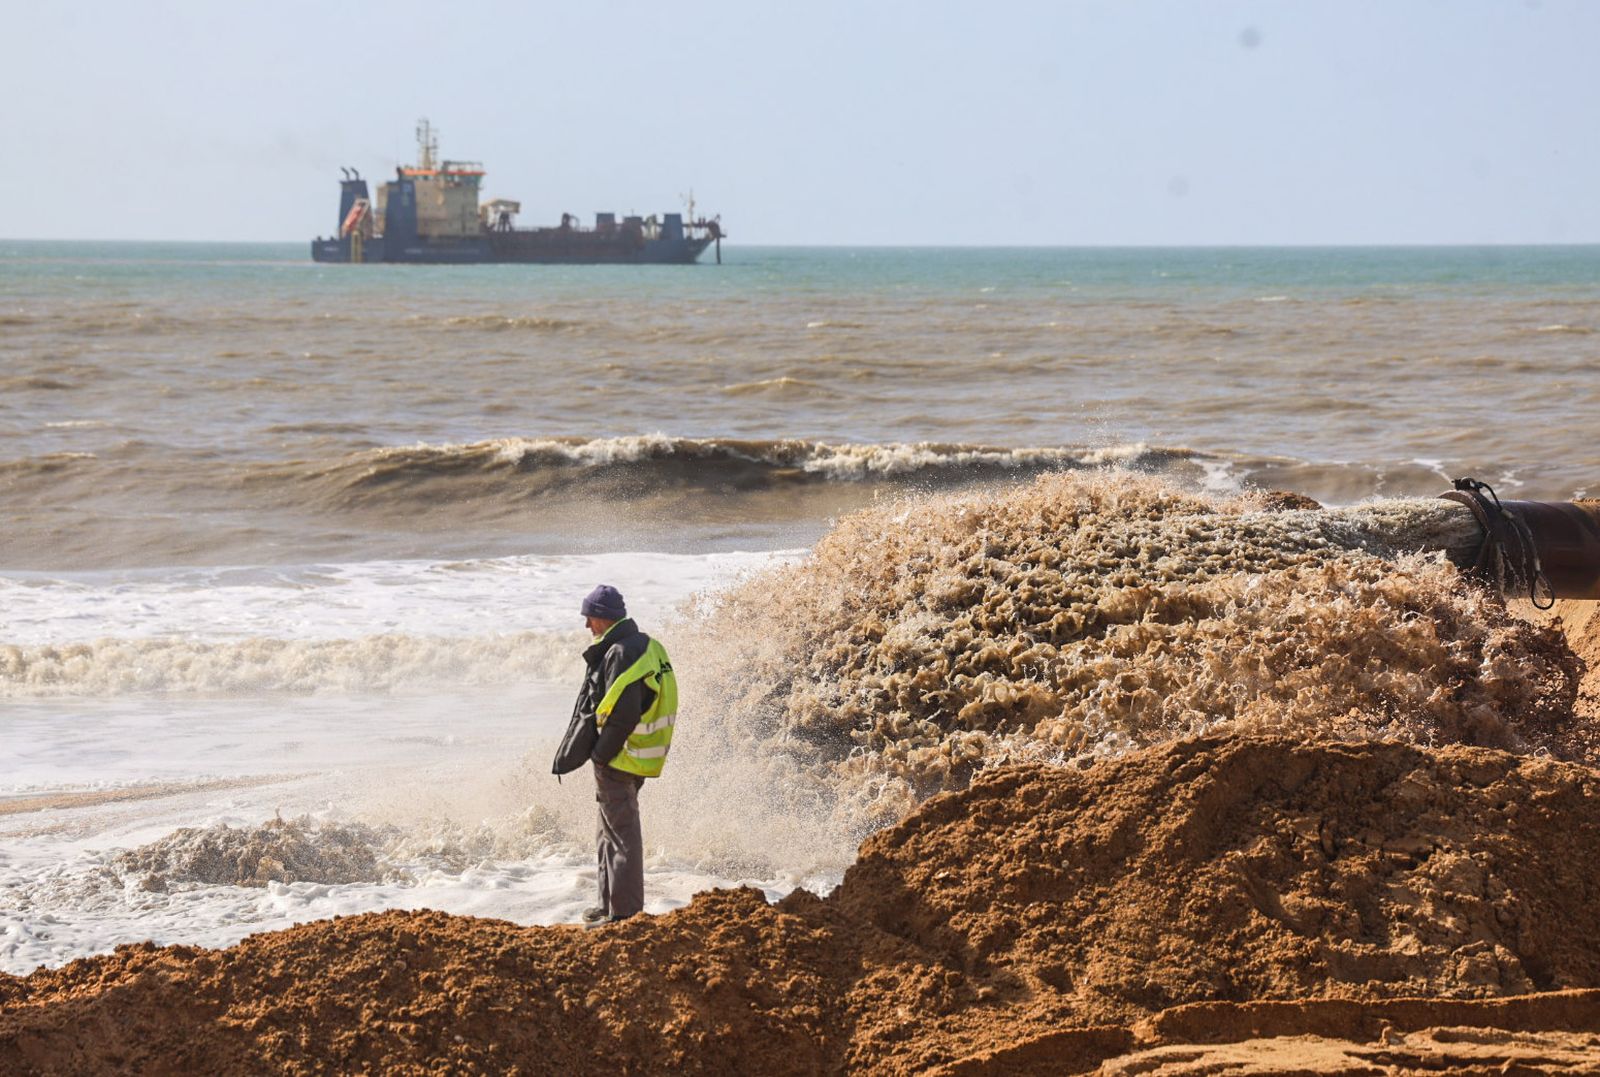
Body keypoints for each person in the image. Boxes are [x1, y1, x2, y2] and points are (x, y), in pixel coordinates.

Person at [551, 584, 678, 928]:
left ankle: (624, 914)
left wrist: (600, 755)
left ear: (603, 618)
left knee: (621, 833)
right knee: (608, 830)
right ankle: (608, 905)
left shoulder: (620, 652)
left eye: (589, 618)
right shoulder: (645, 645)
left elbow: (623, 714)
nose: (586, 626)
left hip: (621, 756)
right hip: (636, 753)